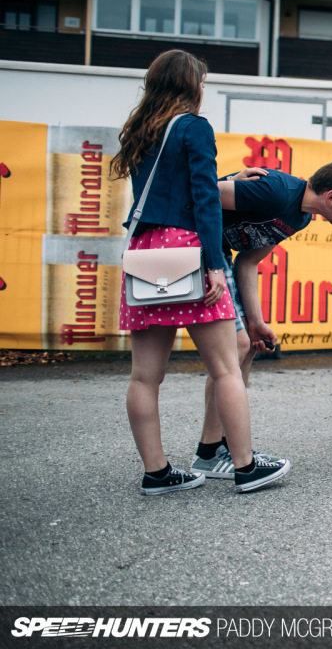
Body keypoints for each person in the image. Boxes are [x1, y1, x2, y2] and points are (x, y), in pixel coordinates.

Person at [111, 49, 290, 495]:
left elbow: (167, 193)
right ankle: (245, 466)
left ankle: (157, 473)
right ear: (192, 84)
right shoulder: (194, 126)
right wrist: (214, 264)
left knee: (143, 376)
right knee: (227, 367)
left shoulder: (140, 131)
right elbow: (203, 203)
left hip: (145, 250)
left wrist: (229, 176)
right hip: (188, 249)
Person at [188, 160, 332, 479]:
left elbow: (248, 261)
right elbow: (199, 193)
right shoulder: (275, 191)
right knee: (236, 347)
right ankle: (208, 452)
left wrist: (256, 321)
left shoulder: (299, 217)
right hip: (197, 248)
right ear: (330, 196)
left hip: (223, 256)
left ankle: (226, 447)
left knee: (246, 346)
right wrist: (225, 181)